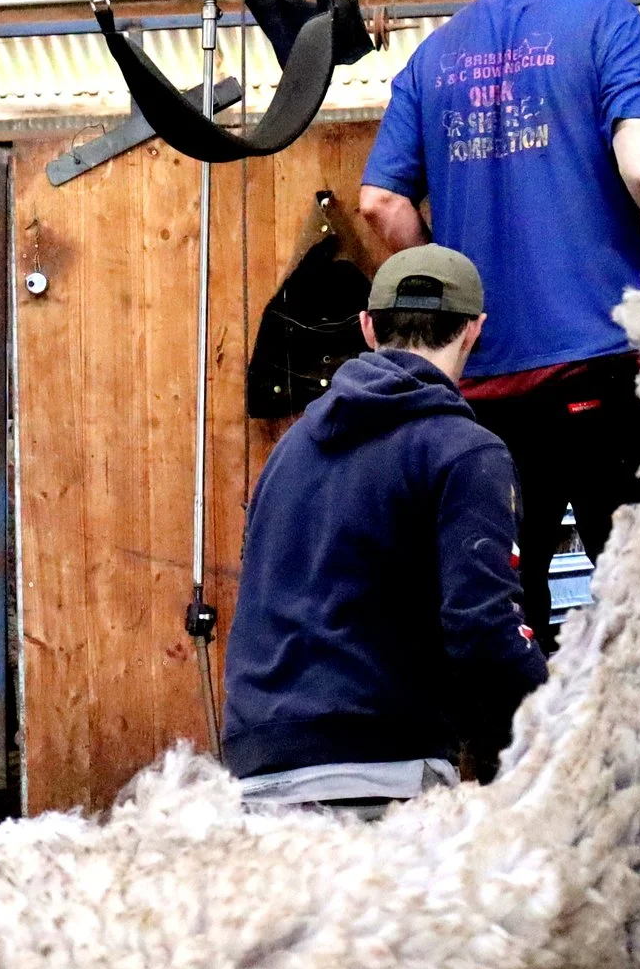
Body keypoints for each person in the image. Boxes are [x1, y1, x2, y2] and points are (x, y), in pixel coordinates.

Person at [358, 0, 640, 649]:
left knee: (497, 615)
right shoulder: (605, 21)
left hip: (484, 389)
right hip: (598, 373)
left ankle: (506, 766)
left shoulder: (434, 56)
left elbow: (379, 205)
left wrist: (451, 288)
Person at [222, 245, 547, 810]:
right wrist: (569, 717)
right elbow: (483, 629)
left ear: (368, 327)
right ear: (474, 330)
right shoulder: (466, 452)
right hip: (381, 776)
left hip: (258, 776)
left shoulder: (289, 449)